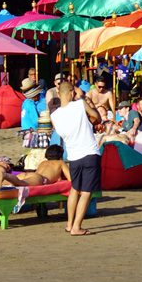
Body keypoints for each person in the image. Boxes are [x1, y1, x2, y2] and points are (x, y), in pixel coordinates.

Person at [49, 82, 101, 236]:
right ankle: (77, 227)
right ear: (72, 93)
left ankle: (70, 223)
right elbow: (96, 116)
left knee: (74, 189)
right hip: (89, 152)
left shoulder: (54, 115)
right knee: (86, 192)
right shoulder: (80, 105)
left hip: (73, 155)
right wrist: (83, 98)